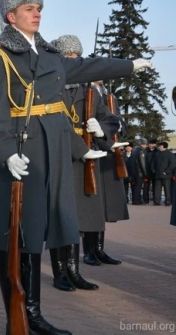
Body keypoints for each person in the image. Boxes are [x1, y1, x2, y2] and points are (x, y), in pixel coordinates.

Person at [0, 0, 151, 334]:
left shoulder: (50, 54)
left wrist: (128, 65)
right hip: (24, 151)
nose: (37, 13)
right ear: (11, 16)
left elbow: (88, 67)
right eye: (29, 9)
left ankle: (33, 313)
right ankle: (19, 315)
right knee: (17, 233)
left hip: (53, 150)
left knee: (39, 229)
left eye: (39, 8)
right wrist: (7, 152)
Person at [48, 34, 117, 292]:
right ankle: (60, 272)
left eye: (77, 57)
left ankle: (74, 270)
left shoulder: (89, 93)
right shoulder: (48, 89)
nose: (73, 61)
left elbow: (110, 119)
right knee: (60, 217)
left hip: (85, 160)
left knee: (78, 217)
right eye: (68, 57)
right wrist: (81, 148)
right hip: (58, 157)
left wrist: (101, 131)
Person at [89, 81, 130, 266]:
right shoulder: (86, 92)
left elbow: (119, 122)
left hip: (108, 154)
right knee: (91, 203)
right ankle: (89, 251)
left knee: (103, 206)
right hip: (91, 150)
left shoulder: (109, 98)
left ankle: (99, 249)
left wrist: (119, 126)